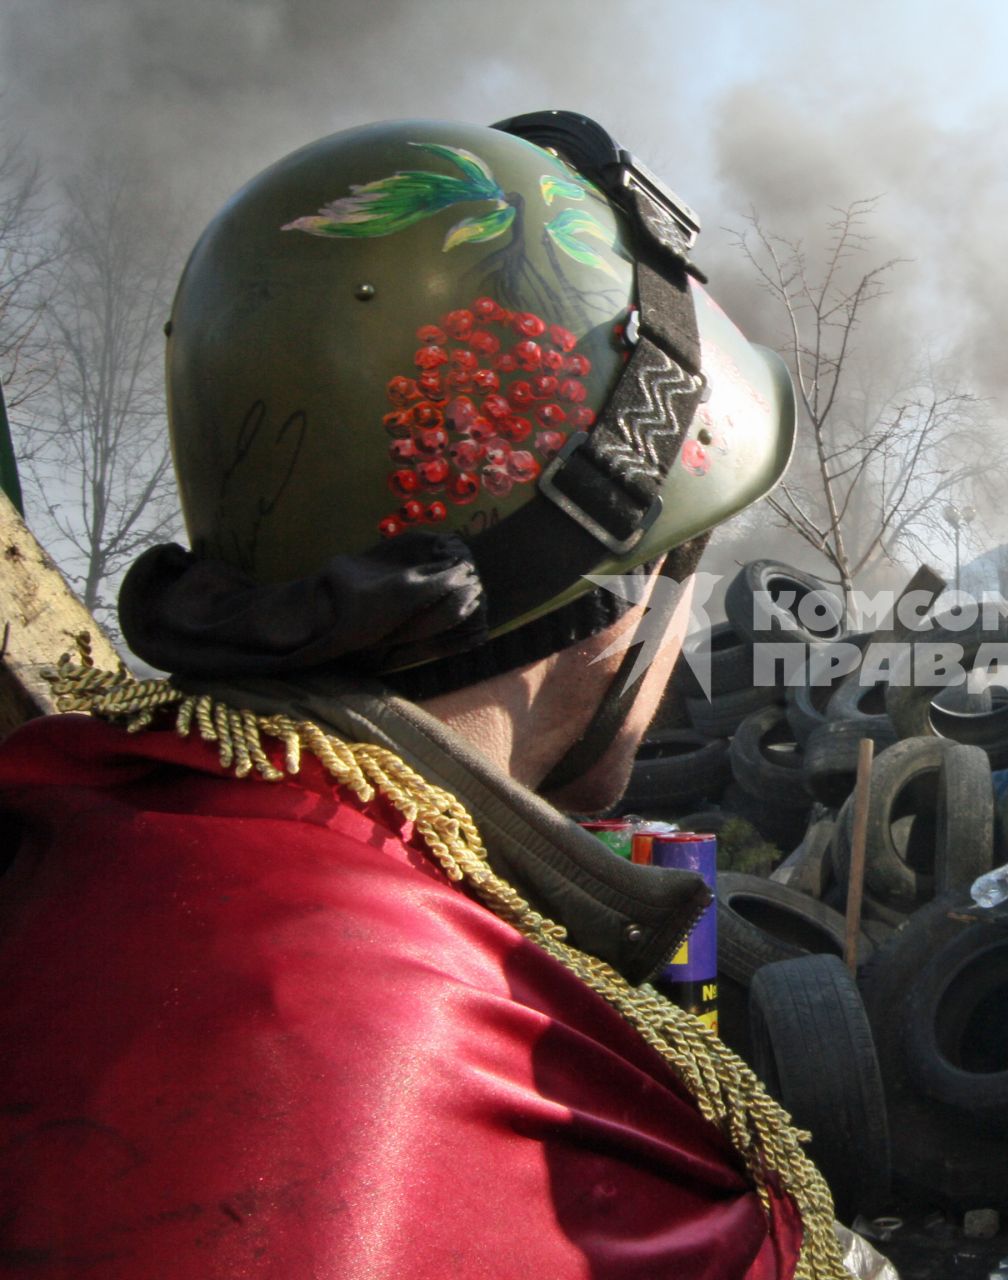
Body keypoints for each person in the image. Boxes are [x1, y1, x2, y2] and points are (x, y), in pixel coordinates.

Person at [0, 114, 860, 1278]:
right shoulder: (552, 1145)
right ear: (613, 575)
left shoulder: (82, 816)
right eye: (690, 562)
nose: (691, 626)